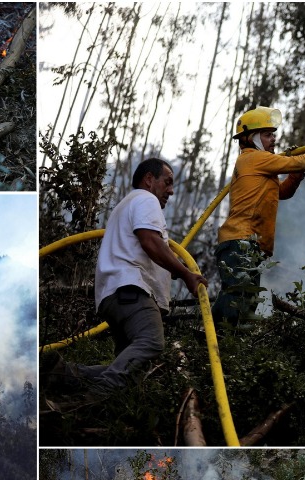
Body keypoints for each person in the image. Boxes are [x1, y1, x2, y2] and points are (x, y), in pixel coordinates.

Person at [43, 158, 207, 411]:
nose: (171, 191)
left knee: (129, 371)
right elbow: (150, 242)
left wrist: (174, 270)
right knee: (151, 342)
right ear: (149, 180)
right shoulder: (145, 199)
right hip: (131, 291)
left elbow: (148, 245)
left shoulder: (127, 205)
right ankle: (90, 400)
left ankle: (63, 374)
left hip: (115, 297)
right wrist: (186, 274)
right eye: (167, 182)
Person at [214, 106, 305, 324]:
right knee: (237, 300)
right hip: (240, 241)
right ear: (251, 138)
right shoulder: (253, 158)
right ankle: (213, 341)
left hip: (250, 244)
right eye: (267, 135)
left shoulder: (261, 165)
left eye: (273, 134)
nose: (273, 139)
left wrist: (296, 175)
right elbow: (295, 162)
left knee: (245, 300)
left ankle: (227, 345)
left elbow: (281, 192)